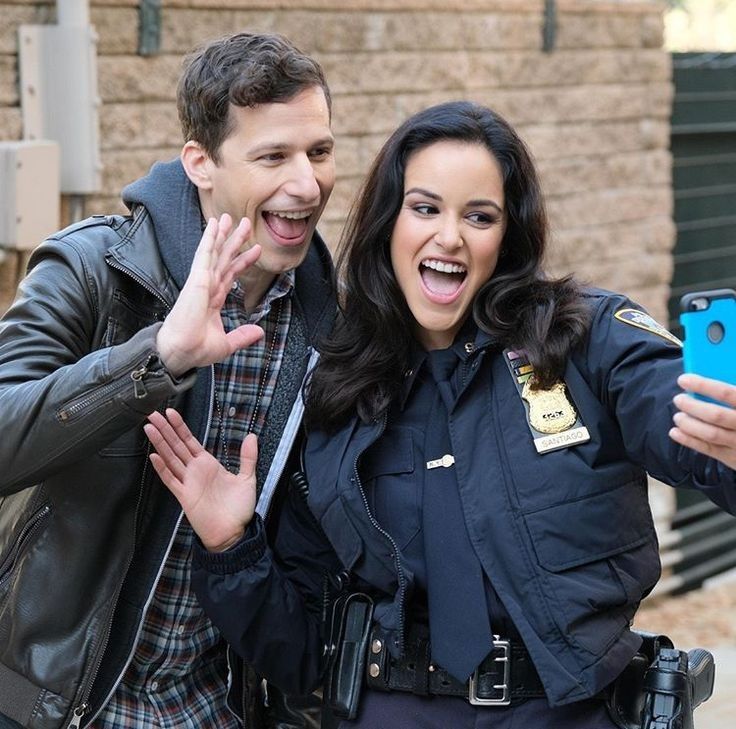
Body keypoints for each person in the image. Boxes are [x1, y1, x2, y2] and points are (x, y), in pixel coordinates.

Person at [143, 101, 736, 729]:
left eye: (478, 216)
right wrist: (230, 547)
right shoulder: (337, 390)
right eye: (425, 208)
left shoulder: (584, 338)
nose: (449, 237)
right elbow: (300, 657)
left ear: (507, 236)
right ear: (388, 224)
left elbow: (680, 415)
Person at [0, 32, 337, 729]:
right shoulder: (95, 269)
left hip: (215, 709)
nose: (307, 183)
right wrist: (162, 356)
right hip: (57, 706)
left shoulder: (331, 327)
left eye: (320, 152)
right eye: (273, 155)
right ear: (201, 164)